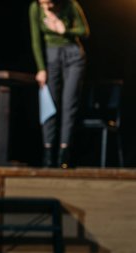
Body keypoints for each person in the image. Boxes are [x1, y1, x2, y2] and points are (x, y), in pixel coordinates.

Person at [29, 0, 90, 168]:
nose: (46, 6)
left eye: (48, 2)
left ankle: (64, 153)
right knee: (50, 103)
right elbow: (36, 40)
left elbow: (84, 31)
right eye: (42, 2)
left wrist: (66, 30)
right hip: (51, 55)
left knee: (69, 103)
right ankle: (48, 153)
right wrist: (41, 68)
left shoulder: (70, 5)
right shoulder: (35, 8)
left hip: (73, 55)